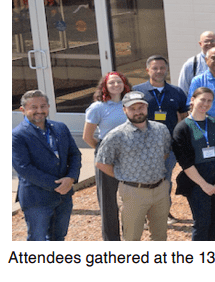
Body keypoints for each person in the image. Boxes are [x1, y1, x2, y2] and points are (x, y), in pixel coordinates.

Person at [97, 91, 173, 241]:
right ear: (124, 109)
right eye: (132, 108)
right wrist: (123, 175)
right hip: (133, 192)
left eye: (141, 107)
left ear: (146, 107)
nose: (137, 112)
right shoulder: (116, 135)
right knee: (132, 238)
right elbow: (101, 162)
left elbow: (164, 153)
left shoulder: (161, 130)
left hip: (160, 190)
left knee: (160, 237)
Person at [13, 90, 82, 241]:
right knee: (38, 240)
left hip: (63, 198)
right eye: (33, 107)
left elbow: (75, 154)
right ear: (23, 110)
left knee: (59, 237)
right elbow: (24, 168)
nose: (39, 111)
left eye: (43, 106)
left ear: (49, 107)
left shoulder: (60, 128)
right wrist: (58, 185)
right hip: (37, 199)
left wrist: (70, 178)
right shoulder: (17, 135)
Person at [131, 55, 190, 222]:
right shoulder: (137, 91)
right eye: (155, 68)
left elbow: (184, 118)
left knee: (165, 181)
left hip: (167, 146)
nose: (159, 71)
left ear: (167, 69)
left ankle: (163, 213)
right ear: (147, 69)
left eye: (162, 68)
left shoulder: (176, 92)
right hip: (142, 145)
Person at [171, 87, 215, 241]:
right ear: (192, 100)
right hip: (196, 181)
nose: (205, 104)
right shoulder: (182, 128)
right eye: (202, 100)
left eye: (209, 100)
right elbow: (184, 162)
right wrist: (203, 185)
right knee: (202, 222)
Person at [84, 71, 132, 241]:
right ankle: (112, 240)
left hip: (130, 154)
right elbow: (87, 136)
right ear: (104, 86)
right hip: (107, 156)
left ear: (124, 84)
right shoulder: (98, 107)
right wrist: (103, 149)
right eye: (111, 83)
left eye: (118, 82)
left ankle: (131, 235)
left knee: (132, 197)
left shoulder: (131, 104)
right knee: (108, 200)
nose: (115, 85)